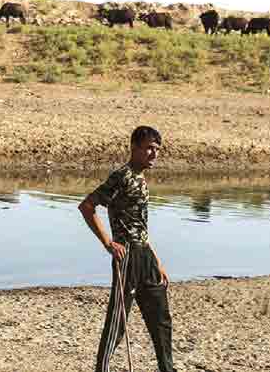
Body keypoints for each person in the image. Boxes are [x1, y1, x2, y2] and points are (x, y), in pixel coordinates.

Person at [78, 126, 175, 372]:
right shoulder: (121, 176)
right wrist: (108, 243)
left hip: (146, 256)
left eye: (157, 149)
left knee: (161, 319)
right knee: (117, 323)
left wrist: (158, 262)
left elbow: (141, 226)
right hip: (127, 255)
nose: (153, 154)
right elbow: (87, 206)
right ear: (134, 148)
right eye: (148, 148)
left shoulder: (141, 179)